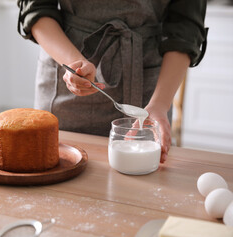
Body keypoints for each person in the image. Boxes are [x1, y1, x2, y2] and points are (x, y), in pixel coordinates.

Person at [17, 0, 208, 163]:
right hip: (66, 78)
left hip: (152, 89)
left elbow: (186, 27)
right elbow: (37, 7)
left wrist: (160, 104)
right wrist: (74, 63)